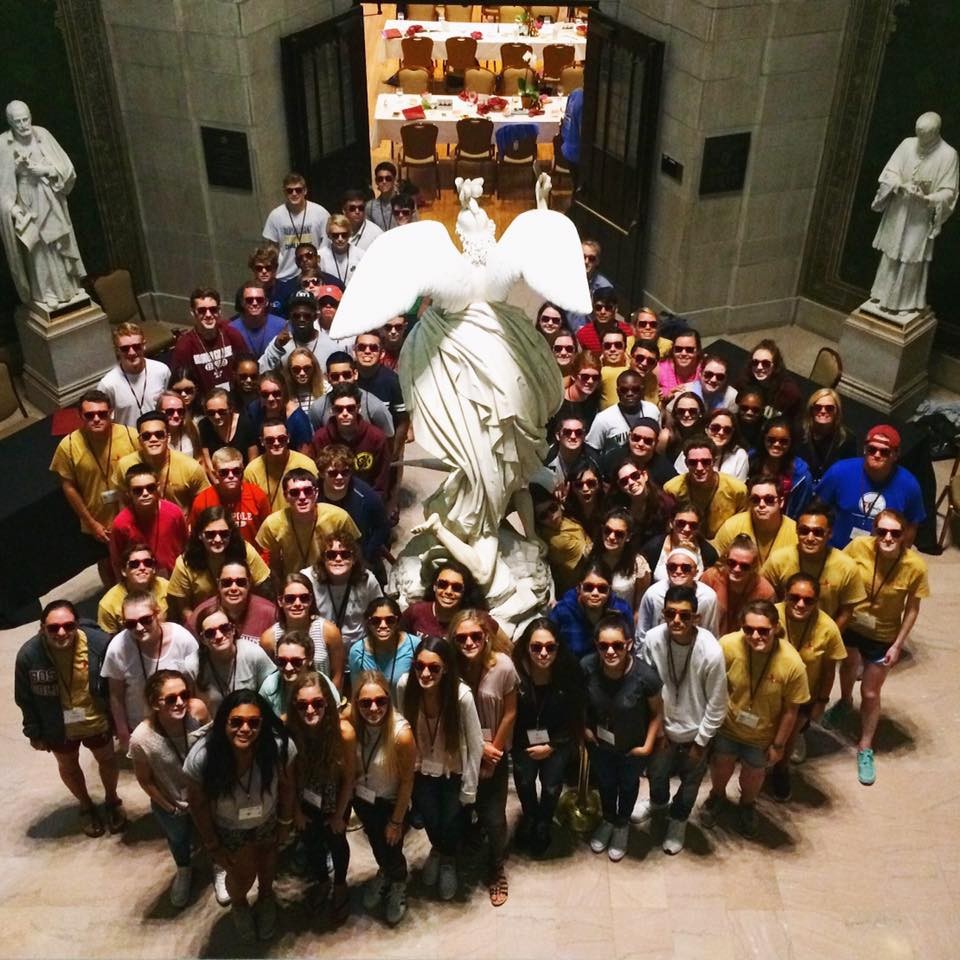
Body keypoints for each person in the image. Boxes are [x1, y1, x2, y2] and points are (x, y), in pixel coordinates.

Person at [184, 691, 295, 941]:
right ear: (224, 722)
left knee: (268, 861)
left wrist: (286, 822)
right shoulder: (203, 756)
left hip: (266, 818)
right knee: (241, 873)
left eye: (254, 722)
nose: (245, 729)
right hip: (229, 826)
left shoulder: (277, 746)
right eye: (236, 722)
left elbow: (288, 786)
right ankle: (240, 904)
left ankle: (266, 898)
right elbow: (198, 803)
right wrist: (212, 844)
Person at [832, 509, 929, 785]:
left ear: (904, 536)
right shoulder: (858, 547)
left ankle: (865, 746)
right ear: (874, 532)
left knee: (872, 692)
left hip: (883, 633)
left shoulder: (915, 566)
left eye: (895, 533)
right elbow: (839, 575)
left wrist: (898, 644)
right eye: (882, 532)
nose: (887, 537)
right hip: (852, 623)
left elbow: (912, 608)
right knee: (848, 665)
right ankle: (845, 701)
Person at [14, 600, 123, 838]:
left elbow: (116, 686)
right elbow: (24, 697)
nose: (61, 632)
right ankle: (86, 805)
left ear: (77, 624)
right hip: (56, 723)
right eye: (53, 628)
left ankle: (112, 800)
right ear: (42, 628)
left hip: (96, 717)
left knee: (106, 759)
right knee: (69, 766)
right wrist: (33, 731)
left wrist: (119, 720)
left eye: (68, 626)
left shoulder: (100, 645)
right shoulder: (28, 656)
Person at [701, 600, 809, 838]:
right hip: (727, 726)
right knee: (721, 766)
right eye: (749, 629)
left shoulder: (792, 663)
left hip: (761, 735)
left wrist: (779, 745)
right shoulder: (727, 646)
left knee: (753, 775)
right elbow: (711, 685)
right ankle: (717, 796)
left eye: (763, 630)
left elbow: (792, 710)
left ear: (775, 628)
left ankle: (747, 805)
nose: (755, 635)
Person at [635, 585, 727, 854]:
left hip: (695, 731)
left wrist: (701, 743)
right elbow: (645, 689)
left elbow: (717, 703)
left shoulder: (711, 650)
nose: (676, 621)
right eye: (670, 613)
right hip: (663, 727)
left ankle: (678, 819)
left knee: (690, 783)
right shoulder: (652, 639)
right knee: (657, 775)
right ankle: (658, 804)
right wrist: (658, 729)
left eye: (684, 615)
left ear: (696, 618)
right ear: (663, 613)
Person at [398, 636, 483, 902]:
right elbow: (403, 730)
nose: (425, 673)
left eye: (433, 668)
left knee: (450, 820)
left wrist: (470, 789)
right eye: (419, 666)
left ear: (445, 668)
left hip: (452, 773)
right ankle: (438, 850)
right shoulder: (405, 687)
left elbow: (475, 745)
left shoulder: (461, 697)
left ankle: (447, 860)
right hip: (421, 771)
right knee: (431, 820)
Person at [583, 614, 662, 861]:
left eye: (617, 645)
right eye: (603, 645)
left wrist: (647, 746)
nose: (610, 651)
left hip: (631, 748)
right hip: (600, 745)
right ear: (596, 645)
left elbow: (658, 713)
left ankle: (622, 825)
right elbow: (579, 703)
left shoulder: (645, 676)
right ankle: (608, 819)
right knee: (606, 784)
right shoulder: (587, 667)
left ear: (628, 644)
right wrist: (583, 729)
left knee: (628, 786)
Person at [451, 610, 518, 906]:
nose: (469, 642)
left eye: (475, 636)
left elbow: (511, 712)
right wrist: (477, 750)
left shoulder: (503, 666)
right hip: (461, 753)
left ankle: (496, 865)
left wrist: (493, 754)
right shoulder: (450, 668)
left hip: (495, 753)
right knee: (463, 809)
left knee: (494, 816)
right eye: (461, 637)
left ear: (486, 637)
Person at [128, 670, 210, 907]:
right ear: (155, 703)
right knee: (178, 839)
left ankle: (218, 866)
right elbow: (145, 780)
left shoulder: (197, 713)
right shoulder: (141, 738)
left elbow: (214, 747)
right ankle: (184, 870)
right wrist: (169, 806)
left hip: (203, 796)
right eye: (171, 698)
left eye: (184, 694)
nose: (180, 702)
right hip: (172, 803)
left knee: (210, 833)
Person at [868, 111, 958, 313]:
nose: (921, 141)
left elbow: (949, 192)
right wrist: (901, 186)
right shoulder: (907, 144)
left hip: (920, 216)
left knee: (911, 258)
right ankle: (881, 294)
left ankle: (904, 303)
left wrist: (927, 198)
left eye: (926, 136)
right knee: (891, 253)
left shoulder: (948, 154)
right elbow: (889, 173)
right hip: (899, 209)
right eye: (919, 135)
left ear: (935, 133)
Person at [511, 619, 584, 856]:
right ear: (526, 647)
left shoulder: (569, 669)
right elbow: (509, 714)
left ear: (558, 647)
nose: (543, 653)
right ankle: (530, 816)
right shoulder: (515, 670)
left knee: (552, 787)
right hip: (524, 741)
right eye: (536, 647)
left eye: (550, 647)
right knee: (524, 782)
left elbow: (576, 714)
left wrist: (552, 745)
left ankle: (544, 821)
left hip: (558, 740)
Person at [288, 672, 356, 923]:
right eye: (302, 704)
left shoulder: (344, 732)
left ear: (327, 702)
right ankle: (321, 881)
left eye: (317, 703)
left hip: (335, 798)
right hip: (306, 799)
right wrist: (295, 810)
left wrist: (339, 815)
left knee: (337, 842)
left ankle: (339, 884)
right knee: (312, 843)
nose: (310, 710)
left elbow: (350, 777)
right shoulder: (292, 729)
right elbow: (290, 775)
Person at [50, 389, 137, 585]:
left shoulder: (131, 436)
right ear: (80, 416)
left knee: (138, 558)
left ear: (111, 413)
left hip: (133, 516)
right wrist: (91, 522)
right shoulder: (69, 446)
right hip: (97, 523)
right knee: (106, 564)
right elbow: (68, 486)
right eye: (90, 415)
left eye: (102, 414)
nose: (96, 419)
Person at [350, 671, 416, 925]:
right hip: (364, 800)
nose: (374, 708)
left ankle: (398, 881)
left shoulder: (401, 734)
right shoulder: (353, 723)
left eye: (380, 701)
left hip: (390, 804)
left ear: (389, 700)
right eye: (365, 703)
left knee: (392, 847)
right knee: (377, 844)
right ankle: (385, 872)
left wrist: (397, 821)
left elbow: (408, 781)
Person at [770, 573, 845, 792]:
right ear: (786, 595)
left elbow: (829, 669)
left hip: (803, 695)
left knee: (790, 735)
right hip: (769, 690)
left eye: (808, 600)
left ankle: (781, 769)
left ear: (817, 602)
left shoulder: (828, 628)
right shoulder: (771, 616)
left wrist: (822, 701)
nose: (800, 604)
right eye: (794, 597)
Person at [101, 591, 198, 750]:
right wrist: (123, 732)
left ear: (157, 613)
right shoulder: (117, 648)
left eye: (146, 620)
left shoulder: (182, 638)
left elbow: (197, 682)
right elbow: (115, 695)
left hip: (181, 719)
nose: (139, 628)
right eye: (131, 624)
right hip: (141, 727)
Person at [761, 500, 866, 632]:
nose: (810, 538)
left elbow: (846, 612)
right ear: (796, 531)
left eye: (818, 532)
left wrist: (828, 639)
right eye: (804, 531)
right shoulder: (779, 559)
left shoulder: (847, 567)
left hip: (821, 638)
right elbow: (762, 595)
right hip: (781, 633)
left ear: (830, 533)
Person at [816, 425, 925, 548]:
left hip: (882, 553)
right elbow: (818, 508)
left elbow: (911, 524)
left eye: (884, 451)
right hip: (837, 549)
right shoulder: (839, 471)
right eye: (871, 449)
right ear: (864, 450)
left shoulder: (910, 485)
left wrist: (900, 557)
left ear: (895, 454)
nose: (877, 455)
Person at [166, 507, 271, 625]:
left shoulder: (245, 551)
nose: (217, 539)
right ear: (200, 535)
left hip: (244, 619)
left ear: (231, 534)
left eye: (224, 534)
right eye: (210, 534)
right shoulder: (185, 563)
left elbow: (264, 589)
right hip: (204, 624)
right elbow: (183, 608)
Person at [256, 467, 360, 581]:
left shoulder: (339, 517)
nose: (302, 497)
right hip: (294, 586)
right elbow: (274, 565)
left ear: (316, 493)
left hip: (330, 583)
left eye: (307, 491)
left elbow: (354, 554)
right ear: (286, 496)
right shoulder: (272, 524)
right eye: (294, 492)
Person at [112, 410, 210, 515]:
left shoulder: (190, 467)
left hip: (179, 527)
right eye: (146, 436)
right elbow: (123, 501)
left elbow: (204, 502)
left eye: (159, 434)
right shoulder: (125, 465)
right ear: (140, 440)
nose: (153, 439)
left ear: (168, 438)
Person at [302, 531, 382, 658]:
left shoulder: (367, 580)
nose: (338, 559)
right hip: (319, 653)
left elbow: (381, 614)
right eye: (331, 555)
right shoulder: (308, 579)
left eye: (345, 554)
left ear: (354, 559)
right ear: (323, 558)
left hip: (357, 654)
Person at [316, 444, 391, 569]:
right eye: (333, 473)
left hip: (358, 557)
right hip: (323, 557)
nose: (339, 477)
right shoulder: (312, 493)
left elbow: (382, 527)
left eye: (345, 472)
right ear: (322, 474)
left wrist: (366, 554)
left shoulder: (366, 495)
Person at [312, 383, 392, 496]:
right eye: (339, 409)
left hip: (366, 498)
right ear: (332, 410)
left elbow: (381, 481)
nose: (345, 413)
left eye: (350, 408)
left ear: (358, 408)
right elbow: (318, 476)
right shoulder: (320, 438)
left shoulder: (376, 437)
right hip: (330, 499)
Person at [109, 463, 188, 578]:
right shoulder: (120, 524)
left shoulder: (174, 513)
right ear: (128, 493)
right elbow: (117, 562)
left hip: (175, 579)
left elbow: (186, 546)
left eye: (150, 488)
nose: (145, 493)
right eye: (138, 490)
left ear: (158, 487)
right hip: (140, 583)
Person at [261, 572, 343, 681]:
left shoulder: (329, 632)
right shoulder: (269, 639)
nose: (297, 603)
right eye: (290, 599)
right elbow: (268, 679)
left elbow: (338, 675)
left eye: (304, 598)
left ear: (311, 600)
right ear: (280, 601)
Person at [663, 436, 748, 539]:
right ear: (686, 464)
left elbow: (741, 526)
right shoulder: (672, 489)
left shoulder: (737, 490)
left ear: (714, 461)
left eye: (705, 462)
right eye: (693, 462)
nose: (699, 468)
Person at [549, 560, 634, 659]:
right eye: (588, 587)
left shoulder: (622, 610)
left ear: (610, 590)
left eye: (602, 588)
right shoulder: (562, 611)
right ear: (578, 588)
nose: (595, 593)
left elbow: (629, 649)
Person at [171, 287, 248, 396]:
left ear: (219, 311)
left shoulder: (232, 335)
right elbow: (179, 385)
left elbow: (247, 366)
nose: (208, 315)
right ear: (193, 313)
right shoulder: (184, 346)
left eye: (213, 309)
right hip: (204, 406)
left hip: (235, 399)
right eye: (201, 310)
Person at [189, 447, 271, 547]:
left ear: (242, 471)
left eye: (236, 471)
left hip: (252, 559)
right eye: (224, 472)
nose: (231, 476)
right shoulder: (202, 501)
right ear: (215, 474)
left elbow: (268, 536)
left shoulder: (257, 496)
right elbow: (195, 539)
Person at [711, 475, 798, 567]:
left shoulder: (795, 532)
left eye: (769, 499)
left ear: (781, 502)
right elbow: (715, 564)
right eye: (755, 500)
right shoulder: (733, 526)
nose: (761, 505)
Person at [700, 534, 776, 638]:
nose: (736, 569)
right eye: (732, 563)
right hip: (710, 640)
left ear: (753, 566)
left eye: (744, 566)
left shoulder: (765, 591)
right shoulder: (711, 578)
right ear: (726, 559)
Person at [637, 546, 720, 640]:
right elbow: (642, 633)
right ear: (666, 569)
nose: (678, 571)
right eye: (672, 567)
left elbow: (711, 634)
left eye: (686, 568)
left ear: (696, 572)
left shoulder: (708, 597)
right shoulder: (653, 594)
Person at [309, 351, 396, 440]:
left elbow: (388, 440)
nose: (341, 380)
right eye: (335, 376)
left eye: (346, 375)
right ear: (327, 378)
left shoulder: (375, 407)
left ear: (355, 374)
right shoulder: (318, 408)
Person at [96, 323, 170, 427]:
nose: (132, 352)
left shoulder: (162, 371)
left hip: (159, 437)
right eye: (125, 349)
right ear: (117, 350)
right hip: (128, 440)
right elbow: (102, 419)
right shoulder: (108, 384)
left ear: (144, 345)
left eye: (136, 346)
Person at [188, 561, 278, 646]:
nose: (234, 588)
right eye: (226, 583)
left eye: (240, 582)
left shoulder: (270, 613)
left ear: (249, 583)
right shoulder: (201, 614)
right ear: (218, 584)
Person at [262, 171, 330, 280]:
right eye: (290, 190)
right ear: (284, 192)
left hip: (313, 275)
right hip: (285, 276)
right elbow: (271, 251)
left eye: (298, 190)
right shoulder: (275, 216)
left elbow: (326, 246)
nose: (294, 194)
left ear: (305, 191)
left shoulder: (320, 213)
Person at [349, 598, 418, 705]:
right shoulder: (358, 651)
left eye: (390, 620)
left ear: (398, 620)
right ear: (368, 622)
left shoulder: (414, 645)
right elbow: (357, 694)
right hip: (373, 713)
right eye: (376, 621)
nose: (383, 625)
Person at [590, 506, 652, 625]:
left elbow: (639, 608)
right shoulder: (590, 555)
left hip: (622, 622)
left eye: (619, 534)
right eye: (607, 530)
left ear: (628, 537)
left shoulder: (638, 564)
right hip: (592, 621)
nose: (611, 537)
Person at [243, 418, 318, 513]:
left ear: (288, 438)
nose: (276, 443)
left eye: (281, 438)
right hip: (267, 524)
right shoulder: (252, 470)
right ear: (262, 441)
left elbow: (314, 501)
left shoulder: (306, 464)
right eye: (270, 440)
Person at [399, 561, 487, 640]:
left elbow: (499, 646)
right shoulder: (416, 612)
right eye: (442, 584)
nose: (448, 591)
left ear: (464, 591)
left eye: (456, 587)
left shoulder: (475, 618)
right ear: (434, 586)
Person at [747, 417, 813, 519]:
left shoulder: (802, 477)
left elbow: (798, 513)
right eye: (771, 440)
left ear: (791, 443)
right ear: (764, 439)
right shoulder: (750, 460)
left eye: (783, 441)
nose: (777, 444)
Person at [585, 369, 660, 457]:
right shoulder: (603, 419)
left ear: (642, 390)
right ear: (617, 392)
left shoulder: (652, 410)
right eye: (624, 390)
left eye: (635, 389)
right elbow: (592, 450)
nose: (630, 394)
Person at [98, 542, 170, 634]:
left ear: (154, 568)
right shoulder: (108, 605)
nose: (142, 567)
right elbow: (109, 639)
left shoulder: (166, 587)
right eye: (134, 564)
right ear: (124, 571)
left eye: (148, 563)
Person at [532, 487, 592, 596]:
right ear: (537, 521)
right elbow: (591, 554)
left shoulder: (564, 519)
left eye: (552, 508)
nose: (551, 516)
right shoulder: (557, 540)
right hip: (581, 590)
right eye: (543, 515)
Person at [641, 501, 718, 582]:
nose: (687, 529)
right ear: (671, 523)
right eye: (681, 523)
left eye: (693, 525)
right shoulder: (653, 548)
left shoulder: (708, 553)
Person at [795, 388, 858, 484]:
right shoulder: (799, 432)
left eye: (829, 408)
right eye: (818, 407)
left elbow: (848, 474)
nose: (823, 411)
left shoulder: (847, 439)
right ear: (811, 410)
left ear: (837, 411)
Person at [198, 388, 259, 478]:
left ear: (231, 408)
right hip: (217, 479)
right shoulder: (204, 425)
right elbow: (207, 462)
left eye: (222, 412)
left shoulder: (245, 424)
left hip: (244, 477)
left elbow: (253, 460)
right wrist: (218, 484)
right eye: (211, 413)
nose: (217, 416)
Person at [735, 339, 802, 422]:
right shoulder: (743, 382)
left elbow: (793, 424)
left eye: (765, 363)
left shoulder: (789, 393)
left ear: (775, 366)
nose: (759, 367)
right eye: (755, 362)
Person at [249, 371, 313, 454]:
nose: (270, 399)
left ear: (284, 392)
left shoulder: (298, 418)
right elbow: (253, 444)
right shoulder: (254, 410)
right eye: (265, 394)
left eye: (276, 393)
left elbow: (305, 454)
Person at [229, 282, 286, 360]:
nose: (254, 303)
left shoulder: (281, 325)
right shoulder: (231, 329)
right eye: (249, 300)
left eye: (259, 299)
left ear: (266, 302)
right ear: (242, 302)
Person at [566, 239, 613, 332]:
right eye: (583, 257)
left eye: (591, 258)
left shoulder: (605, 287)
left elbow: (606, 320)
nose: (586, 261)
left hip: (592, 335)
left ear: (597, 262)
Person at [248, 243, 297, 317]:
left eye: (268, 268)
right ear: (253, 270)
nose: (264, 271)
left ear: (275, 268)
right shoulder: (248, 292)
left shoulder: (286, 292)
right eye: (259, 268)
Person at [319, 213, 365, 287]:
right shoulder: (321, 256)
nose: (340, 239)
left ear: (350, 234)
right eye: (335, 235)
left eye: (344, 235)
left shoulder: (361, 255)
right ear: (329, 236)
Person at [657, 329, 702, 403]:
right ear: (673, 350)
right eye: (678, 349)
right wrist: (667, 398)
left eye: (689, 349)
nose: (683, 353)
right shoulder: (660, 369)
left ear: (697, 350)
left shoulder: (706, 370)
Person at [661, 391, 707, 463]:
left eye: (692, 411)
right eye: (681, 411)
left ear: (700, 413)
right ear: (675, 413)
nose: (686, 415)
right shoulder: (666, 436)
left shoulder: (707, 434)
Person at [565, 462, 604, 543]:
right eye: (579, 485)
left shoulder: (609, 508)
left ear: (599, 484)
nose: (585, 489)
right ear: (571, 487)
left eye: (591, 483)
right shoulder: (565, 512)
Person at [158, 389, 202, 459]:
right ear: (159, 411)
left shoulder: (191, 428)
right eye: (170, 411)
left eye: (180, 411)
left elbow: (199, 457)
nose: (176, 415)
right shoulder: (153, 435)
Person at [283, 347, 326, 416]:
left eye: (307, 368)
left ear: (314, 368)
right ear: (289, 370)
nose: (302, 373)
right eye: (296, 369)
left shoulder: (325, 387)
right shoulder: (284, 391)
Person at [597, 329, 630, 410]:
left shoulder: (636, 369)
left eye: (618, 345)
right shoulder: (595, 373)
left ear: (625, 347)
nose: (612, 349)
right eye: (607, 346)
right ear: (602, 348)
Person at [366, 162, 401, 231]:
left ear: (394, 180)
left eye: (388, 178)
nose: (384, 182)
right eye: (380, 179)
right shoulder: (370, 207)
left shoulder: (407, 202)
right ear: (376, 181)